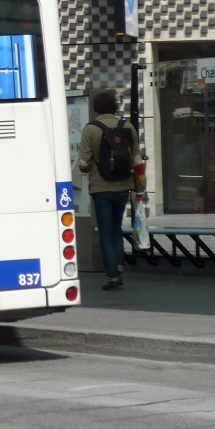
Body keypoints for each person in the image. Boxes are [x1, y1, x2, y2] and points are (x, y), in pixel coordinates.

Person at [76, 89, 144, 291]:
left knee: (105, 230)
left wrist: (89, 167)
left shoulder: (91, 129)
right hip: (124, 185)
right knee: (116, 228)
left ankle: (113, 277)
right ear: (114, 106)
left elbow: (83, 164)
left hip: (101, 187)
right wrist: (140, 188)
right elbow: (137, 160)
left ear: (96, 108)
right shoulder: (128, 127)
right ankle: (120, 268)